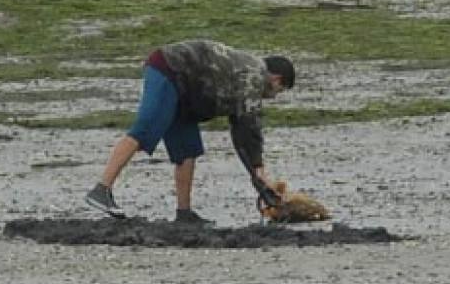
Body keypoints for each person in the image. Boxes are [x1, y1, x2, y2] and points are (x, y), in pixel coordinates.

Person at [85, 39, 295, 224]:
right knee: (144, 131)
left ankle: (184, 213)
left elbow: (240, 133)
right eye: (279, 91)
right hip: (168, 69)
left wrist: (256, 177)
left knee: (188, 150)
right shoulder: (254, 75)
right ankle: (101, 189)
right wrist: (259, 170)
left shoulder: (242, 79)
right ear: (276, 79)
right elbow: (251, 125)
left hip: (185, 93)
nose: (274, 97)